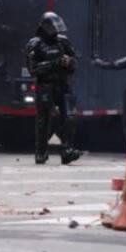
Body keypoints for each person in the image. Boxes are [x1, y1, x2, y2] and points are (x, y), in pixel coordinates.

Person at [24, 12, 82, 165]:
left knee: (70, 117)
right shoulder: (35, 44)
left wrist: (69, 62)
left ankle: (66, 150)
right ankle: (41, 152)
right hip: (45, 87)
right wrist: (55, 63)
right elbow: (34, 69)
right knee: (45, 121)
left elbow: (76, 61)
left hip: (63, 85)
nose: (56, 32)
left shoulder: (63, 42)